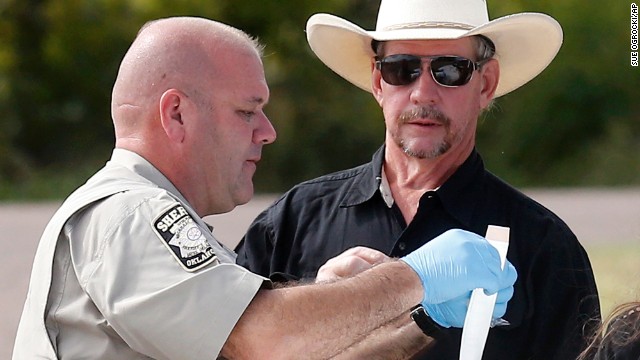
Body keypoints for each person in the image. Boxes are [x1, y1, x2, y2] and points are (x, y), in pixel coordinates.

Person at [12, 16, 517, 360]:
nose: (267, 131)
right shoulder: (131, 213)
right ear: (177, 114)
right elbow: (262, 340)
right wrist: (414, 277)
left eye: (449, 70)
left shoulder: (142, 213)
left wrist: (419, 322)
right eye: (246, 111)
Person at [236, 0, 601, 359]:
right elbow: (223, 344)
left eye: (450, 70)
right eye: (401, 68)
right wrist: (319, 303)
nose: (423, 93)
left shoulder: (546, 249)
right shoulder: (291, 223)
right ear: (378, 82)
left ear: (486, 84)